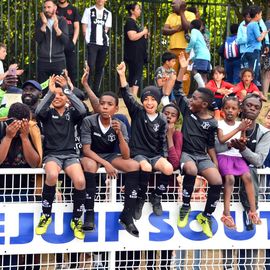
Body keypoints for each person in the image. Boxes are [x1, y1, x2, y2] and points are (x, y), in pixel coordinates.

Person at [117, 61, 173, 220]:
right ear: (142, 101)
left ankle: (156, 196)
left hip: (155, 154)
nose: (149, 102)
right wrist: (122, 75)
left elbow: (162, 140)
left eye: (153, 99)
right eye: (146, 99)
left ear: (158, 101)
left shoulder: (162, 119)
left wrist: (163, 157)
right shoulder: (137, 111)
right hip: (138, 154)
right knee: (146, 167)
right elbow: (127, 96)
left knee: (168, 168)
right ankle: (140, 198)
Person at [174, 53, 222, 238]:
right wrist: (183, 67)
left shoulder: (212, 123)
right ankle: (185, 206)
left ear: (203, 104)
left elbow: (210, 145)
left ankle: (206, 216)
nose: (190, 100)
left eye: (194, 98)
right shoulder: (187, 111)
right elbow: (178, 89)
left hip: (202, 156)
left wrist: (214, 162)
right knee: (191, 170)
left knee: (217, 180)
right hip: (186, 154)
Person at [80, 91, 141, 237]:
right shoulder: (89, 121)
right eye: (102, 104)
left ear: (116, 109)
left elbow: (126, 155)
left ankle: (127, 215)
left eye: (109, 104)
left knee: (134, 166)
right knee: (89, 165)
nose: (105, 107)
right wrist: (105, 163)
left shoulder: (119, 123)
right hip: (93, 155)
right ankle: (89, 214)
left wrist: (119, 133)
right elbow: (86, 150)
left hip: (110, 155)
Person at [35, 75, 87, 240]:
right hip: (52, 155)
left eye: (61, 95)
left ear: (67, 98)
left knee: (80, 181)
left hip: (71, 155)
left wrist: (67, 90)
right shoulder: (47, 113)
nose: (58, 97)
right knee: (51, 175)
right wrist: (50, 93)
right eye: (55, 95)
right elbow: (37, 111)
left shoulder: (72, 113)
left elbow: (83, 110)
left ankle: (77, 219)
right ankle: (46, 215)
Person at [0, 102, 42, 269]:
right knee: (5, 239)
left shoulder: (32, 131)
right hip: (2, 191)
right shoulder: (1, 128)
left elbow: (35, 163)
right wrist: (9, 137)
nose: (19, 126)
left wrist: (24, 137)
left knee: (25, 236)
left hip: (24, 192)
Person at [216, 96, 261, 229]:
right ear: (223, 110)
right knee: (229, 179)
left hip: (237, 156)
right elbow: (222, 140)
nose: (230, 111)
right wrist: (239, 129)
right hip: (224, 155)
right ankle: (226, 213)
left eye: (234, 108)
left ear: (238, 111)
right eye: (227, 108)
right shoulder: (220, 123)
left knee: (247, 177)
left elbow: (242, 139)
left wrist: (242, 140)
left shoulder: (240, 124)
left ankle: (253, 211)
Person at [35, 0, 69, 95]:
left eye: (49, 7)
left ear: (55, 8)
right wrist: (44, 25)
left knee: (60, 90)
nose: (46, 10)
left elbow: (65, 40)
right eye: (45, 7)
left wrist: (56, 28)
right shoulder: (40, 21)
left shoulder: (62, 20)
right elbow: (38, 39)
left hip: (58, 61)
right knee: (43, 90)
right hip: (43, 61)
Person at [162, 0, 196, 95]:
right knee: (170, 74)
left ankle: (183, 95)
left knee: (185, 74)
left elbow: (186, 27)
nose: (172, 5)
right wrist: (176, 29)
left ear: (182, 5)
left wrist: (181, 12)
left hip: (186, 49)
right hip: (172, 50)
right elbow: (164, 31)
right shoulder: (170, 16)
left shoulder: (190, 14)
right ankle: (169, 95)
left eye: (174, 3)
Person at [81, 0, 112, 97]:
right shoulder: (88, 11)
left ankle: (95, 90)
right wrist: (87, 40)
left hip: (103, 43)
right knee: (90, 66)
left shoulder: (108, 13)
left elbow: (106, 29)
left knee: (100, 67)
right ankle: (87, 90)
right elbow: (84, 26)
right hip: (92, 43)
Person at [124, 2, 148, 97]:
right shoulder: (130, 22)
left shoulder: (133, 22)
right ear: (132, 11)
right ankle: (133, 95)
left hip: (136, 53)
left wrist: (144, 35)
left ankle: (131, 95)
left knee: (133, 73)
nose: (140, 11)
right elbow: (132, 37)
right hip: (134, 54)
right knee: (137, 73)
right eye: (138, 9)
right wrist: (143, 32)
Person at [241, 5, 268, 87]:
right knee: (253, 73)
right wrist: (264, 33)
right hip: (254, 51)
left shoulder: (249, 24)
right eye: (261, 14)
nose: (261, 16)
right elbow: (259, 38)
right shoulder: (255, 24)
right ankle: (251, 92)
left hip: (248, 50)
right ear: (257, 15)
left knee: (247, 72)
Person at [56, 0, 80, 85]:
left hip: (69, 42)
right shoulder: (54, 8)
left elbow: (77, 27)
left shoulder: (73, 9)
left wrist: (73, 42)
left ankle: (72, 91)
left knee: (72, 69)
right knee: (58, 69)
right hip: (57, 43)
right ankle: (57, 90)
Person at [186, 19, 211, 87]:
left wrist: (187, 50)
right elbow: (199, 50)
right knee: (203, 74)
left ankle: (202, 87)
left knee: (194, 71)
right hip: (206, 56)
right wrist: (193, 59)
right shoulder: (200, 33)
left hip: (201, 56)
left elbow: (193, 41)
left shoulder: (194, 31)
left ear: (191, 25)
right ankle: (204, 91)